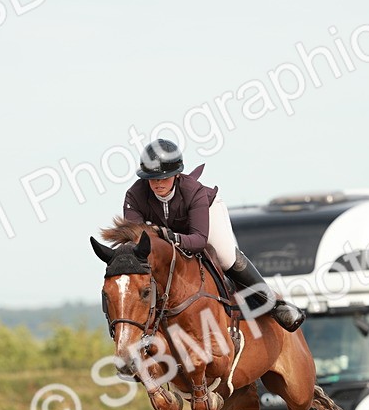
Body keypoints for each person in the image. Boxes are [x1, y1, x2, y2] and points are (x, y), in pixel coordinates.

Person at [121, 139, 305, 332]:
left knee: (226, 257)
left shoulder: (194, 192)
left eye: (164, 178)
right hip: (169, 230)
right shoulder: (134, 195)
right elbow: (136, 242)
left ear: (176, 175)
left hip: (207, 214)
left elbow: (199, 240)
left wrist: (173, 238)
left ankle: (274, 304)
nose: (158, 184)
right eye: (152, 178)